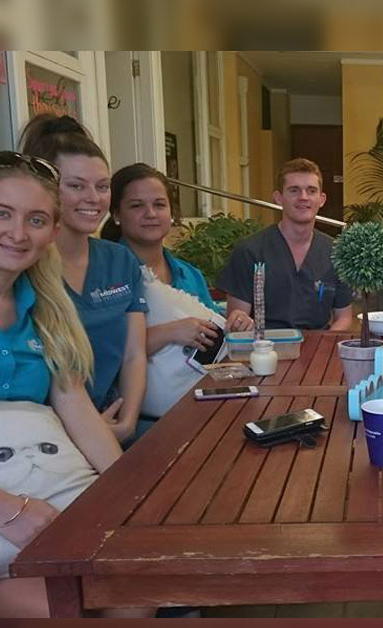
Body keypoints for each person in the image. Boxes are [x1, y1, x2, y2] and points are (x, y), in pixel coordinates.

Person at [0, 152, 122, 616]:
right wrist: (8, 511)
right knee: (63, 612)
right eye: (2, 213)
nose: (18, 233)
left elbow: (76, 408)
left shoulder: (49, 307)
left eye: (36, 219)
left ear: (53, 233)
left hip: (47, 491)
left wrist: (129, 495)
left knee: (138, 581)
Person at [19, 115, 148, 445]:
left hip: (116, 421)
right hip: (45, 438)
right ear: (45, 189)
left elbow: (134, 353)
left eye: (102, 186)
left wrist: (129, 420)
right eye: (76, 186)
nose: (94, 197)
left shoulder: (119, 259)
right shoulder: (22, 265)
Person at [106, 163, 254, 356]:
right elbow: (104, 349)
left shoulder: (190, 274)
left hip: (198, 383)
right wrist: (170, 332)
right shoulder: (106, 273)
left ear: (173, 214)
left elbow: (214, 331)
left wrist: (236, 323)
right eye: (136, 205)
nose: (150, 213)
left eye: (159, 205)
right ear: (116, 214)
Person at [216, 158, 352, 331]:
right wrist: (240, 322)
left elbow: (344, 317)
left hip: (319, 346)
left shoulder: (336, 252)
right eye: (294, 190)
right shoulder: (249, 251)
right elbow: (237, 319)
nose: (303, 197)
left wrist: (324, 346)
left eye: (311, 191)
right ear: (278, 198)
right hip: (264, 348)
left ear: (322, 199)